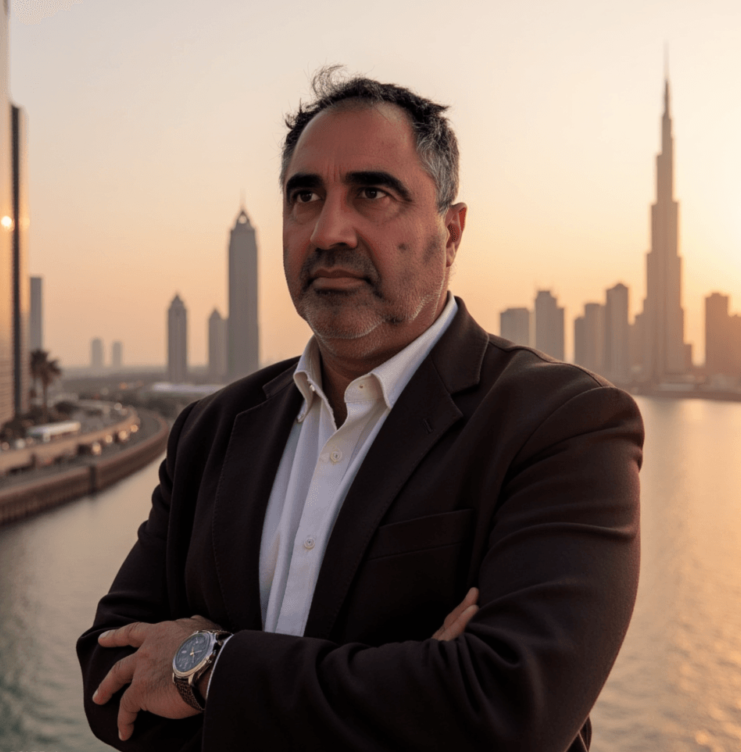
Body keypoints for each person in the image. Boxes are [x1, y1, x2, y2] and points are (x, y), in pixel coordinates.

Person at [77, 68, 643, 752]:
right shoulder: (210, 429)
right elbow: (109, 677)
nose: (328, 231)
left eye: (372, 193)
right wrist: (410, 690)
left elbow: (507, 714)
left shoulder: (562, 423)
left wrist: (206, 669)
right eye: (304, 196)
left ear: (451, 232)